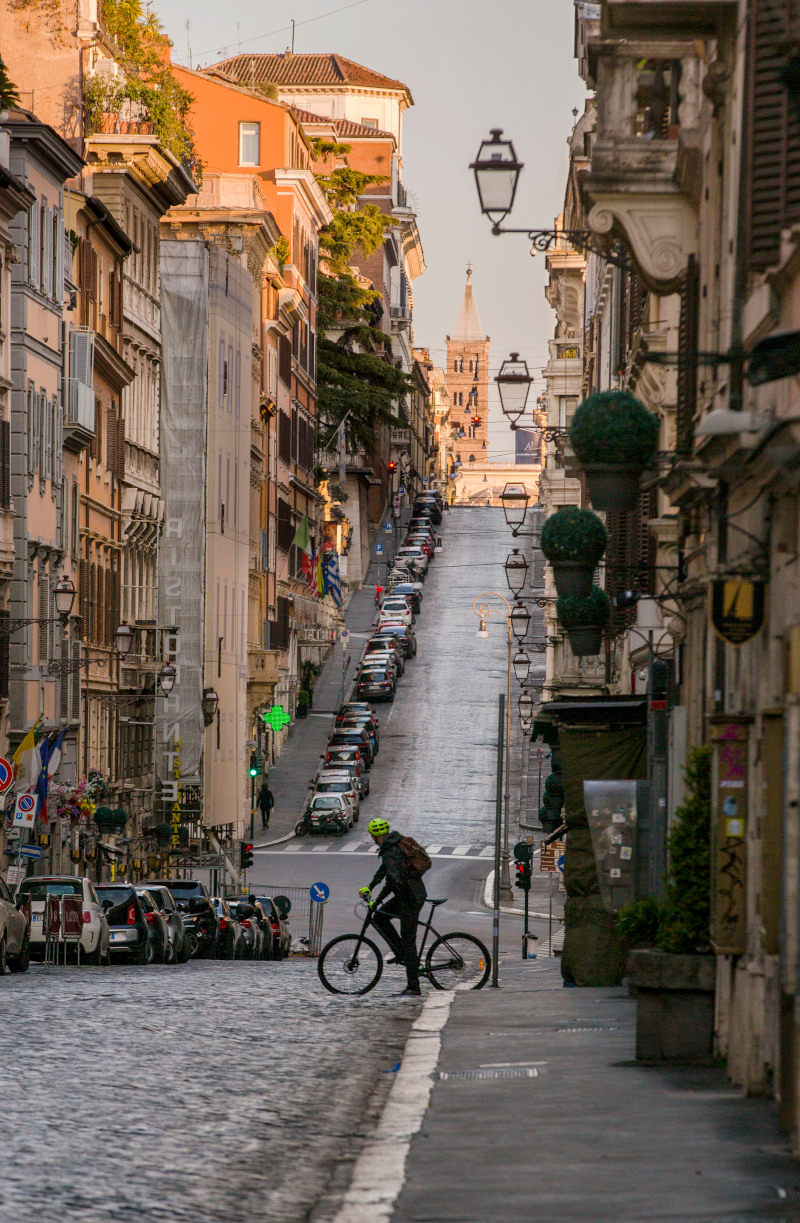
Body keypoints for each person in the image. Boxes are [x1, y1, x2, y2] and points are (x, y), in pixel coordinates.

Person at [359, 818, 426, 996]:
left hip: (410, 898)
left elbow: (393, 881)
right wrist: (370, 886)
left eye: (372, 835)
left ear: (375, 835)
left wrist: (378, 899)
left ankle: (413, 986)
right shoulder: (393, 844)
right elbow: (384, 871)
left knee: (408, 940)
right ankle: (401, 952)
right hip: (408, 894)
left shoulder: (390, 851)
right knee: (380, 917)